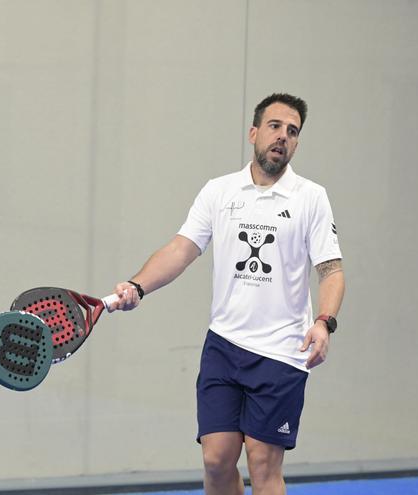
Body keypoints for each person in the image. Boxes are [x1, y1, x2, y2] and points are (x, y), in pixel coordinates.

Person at [110, 93, 345, 495]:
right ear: (254, 133)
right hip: (224, 346)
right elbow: (181, 249)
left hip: (282, 352)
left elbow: (332, 270)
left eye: (292, 131)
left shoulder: (311, 198)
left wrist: (324, 322)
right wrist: (137, 286)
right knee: (216, 460)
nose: (282, 136)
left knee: (262, 463)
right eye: (274, 126)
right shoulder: (219, 192)